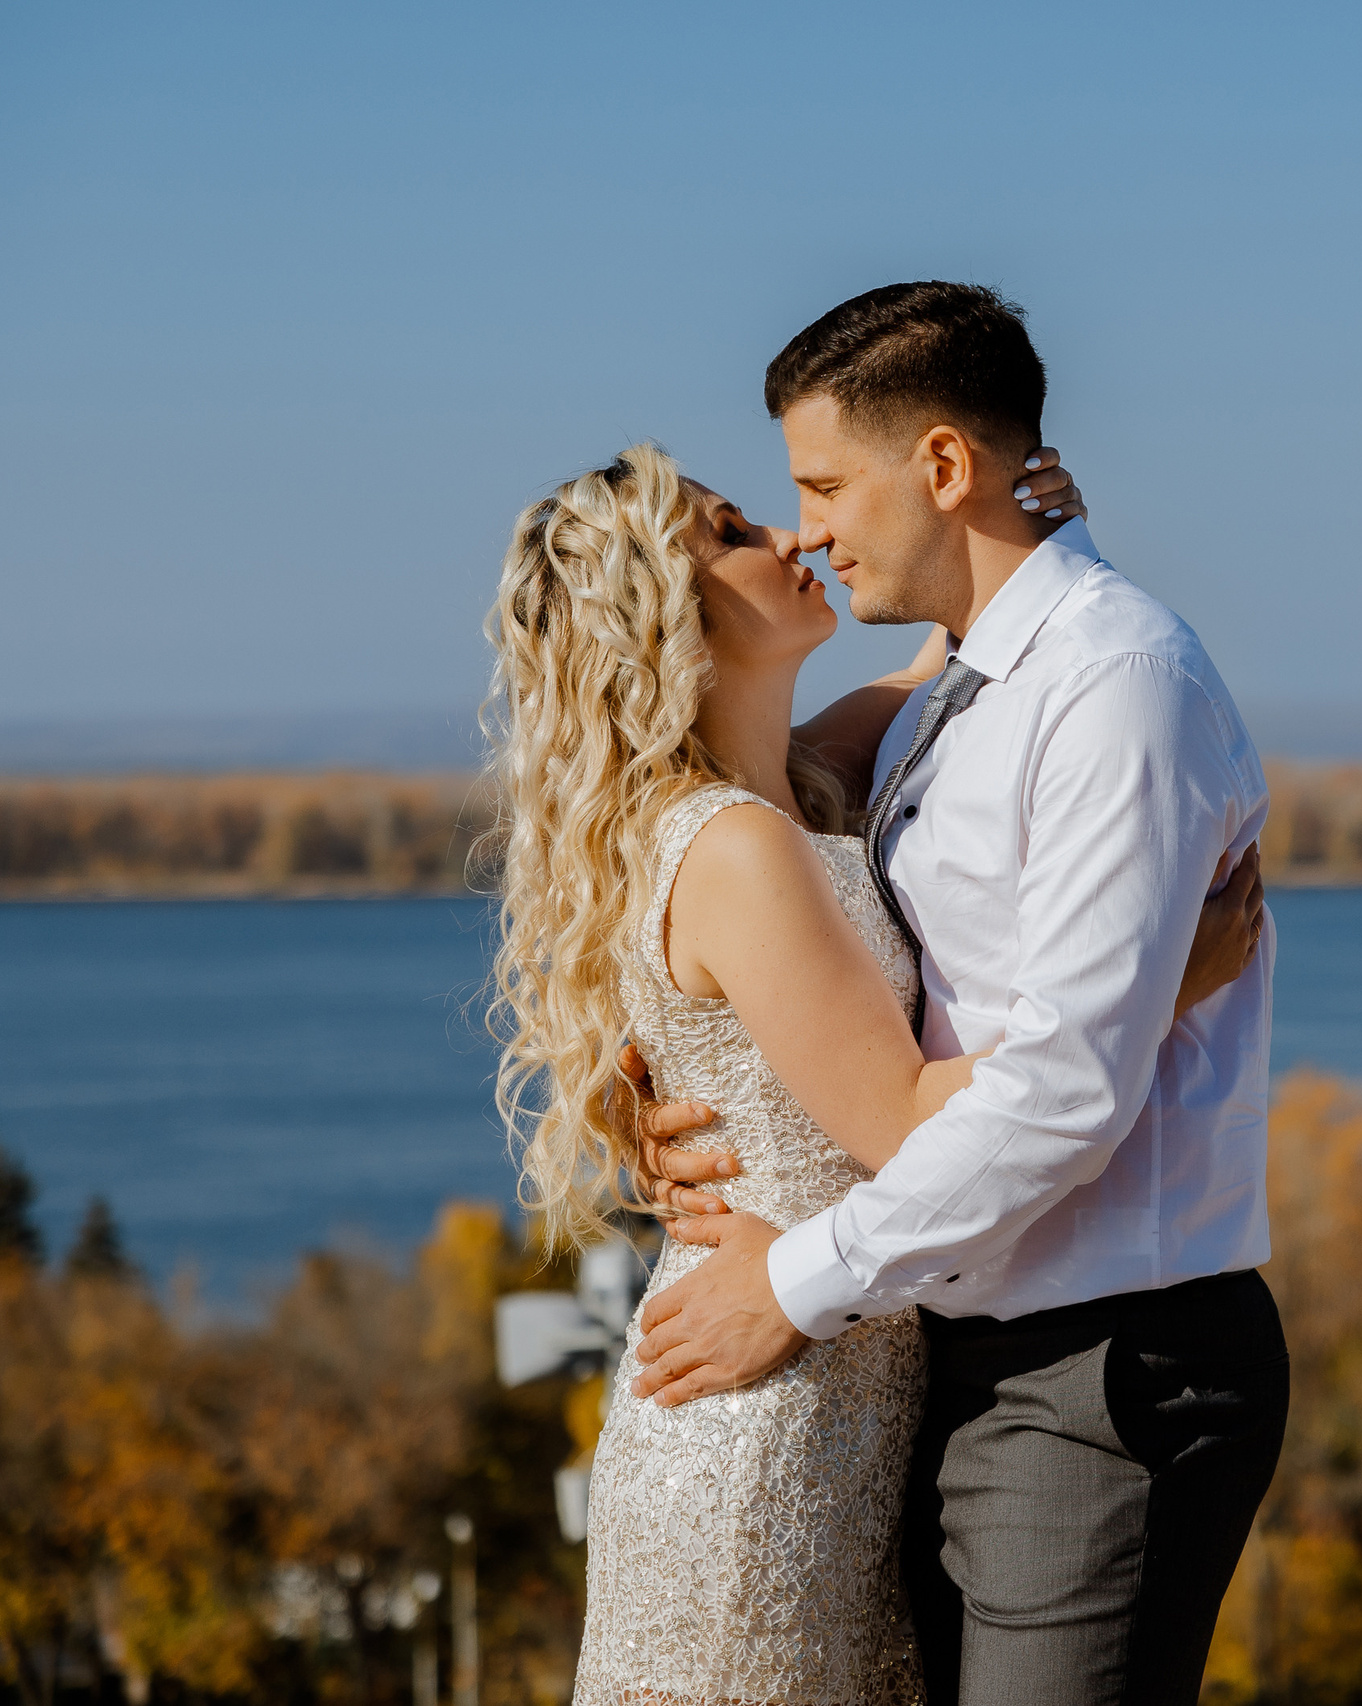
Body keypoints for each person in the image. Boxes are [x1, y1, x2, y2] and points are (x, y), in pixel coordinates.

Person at [483, 437, 1264, 1705]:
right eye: (732, 529)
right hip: (769, 1412)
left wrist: (1024, 523)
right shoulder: (735, 845)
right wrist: (1157, 986)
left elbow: (963, 657)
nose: (790, 537)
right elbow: (904, 1121)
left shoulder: (804, 778)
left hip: (840, 1374)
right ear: (665, 612)